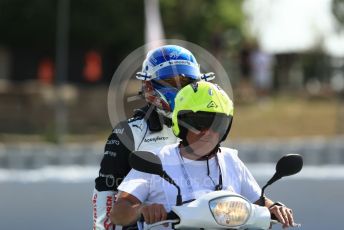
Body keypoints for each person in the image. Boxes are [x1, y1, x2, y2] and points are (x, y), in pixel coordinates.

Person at [110, 81, 296, 229]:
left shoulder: (231, 160)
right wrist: (142, 210)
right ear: (181, 123)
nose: (208, 132)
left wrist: (274, 208)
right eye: (199, 123)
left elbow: (259, 201)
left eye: (217, 124)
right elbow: (118, 212)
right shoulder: (156, 160)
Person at [93, 45, 205, 230]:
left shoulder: (206, 129)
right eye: (170, 81)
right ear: (148, 85)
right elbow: (106, 194)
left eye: (185, 81)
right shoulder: (128, 133)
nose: (178, 88)